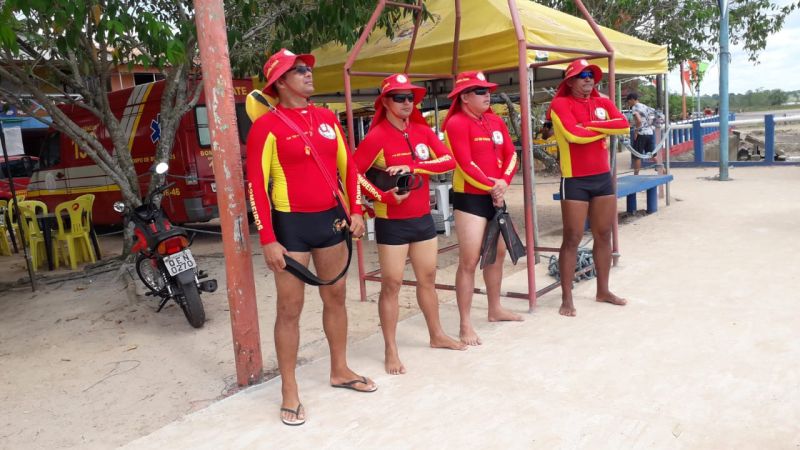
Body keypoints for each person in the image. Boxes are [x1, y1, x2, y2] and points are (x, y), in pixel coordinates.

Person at [245, 48, 375, 427]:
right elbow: (256, 185)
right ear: (280, 82)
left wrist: (355, 209)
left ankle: (340, 369)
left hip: (331, 222)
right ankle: (289, 389)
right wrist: (267, 238)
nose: (307, 74)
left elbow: (348, 168)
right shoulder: (266, 127)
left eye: (307, 69)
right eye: (298, 70)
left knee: (336, 297)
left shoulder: (325, 117)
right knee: (289, 309)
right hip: (290, 228)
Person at [354, 74, 466, 375]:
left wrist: (413, 166)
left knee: (427, 278)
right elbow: (352, 174)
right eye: (399, 97)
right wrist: (383, 197)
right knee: (391, 285)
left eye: (410, 98)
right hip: (393, 222)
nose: (406, 102)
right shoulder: (376, 135)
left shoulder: (422, 130)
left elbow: (448, 161)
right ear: (386, 102)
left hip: (422, 219)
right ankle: (391, 349)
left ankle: (436, 334)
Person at [442, 71, 522, 346]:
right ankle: (465, 324)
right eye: (479, 90)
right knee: (469, 260)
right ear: (464, 96)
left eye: (487, 89)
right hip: (471, 199)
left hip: (495, 195)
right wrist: (493, 186)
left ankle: (494, 308)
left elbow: (512, 154)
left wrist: (503, 183)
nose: (487, 94)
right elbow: (465, 164)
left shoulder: (496, 120)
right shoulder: (455, 123)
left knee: (497, 254)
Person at [547, 59, 630, 317]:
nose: (588, 79)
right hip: (575, 179)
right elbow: (573, 135)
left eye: (591, 75)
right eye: (581, 75)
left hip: (602, 178)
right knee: (572, 238)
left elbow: (624, 125)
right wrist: (604, 130)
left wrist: (590, 127)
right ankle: (566, 297)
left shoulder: (602, 102)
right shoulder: (560, 104)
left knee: (604, 234)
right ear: (569, 81)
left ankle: (603, 290)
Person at [625, 92, 655, 175]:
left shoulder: (635, 107)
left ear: (632, 99)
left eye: (628, 101)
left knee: (637, 155)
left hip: (641, 134)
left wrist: (636, 131)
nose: (629, 103)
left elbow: (638, 120)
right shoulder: (645, 106)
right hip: (650, 132)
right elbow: (653, 116)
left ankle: (636, 175)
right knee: (652, 153)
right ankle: (663, 170)